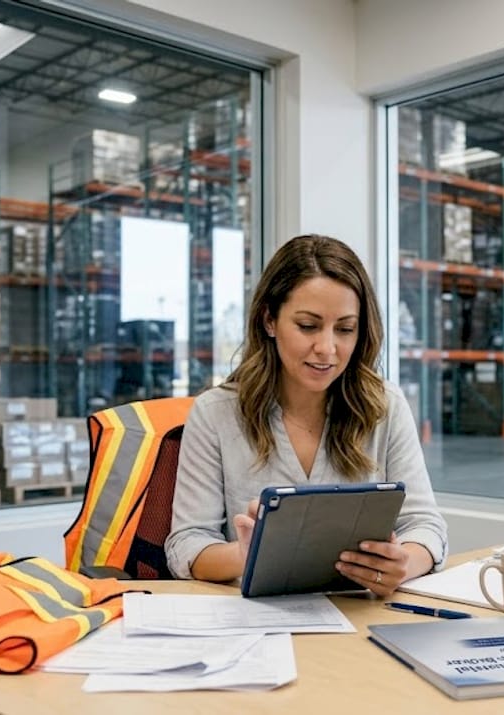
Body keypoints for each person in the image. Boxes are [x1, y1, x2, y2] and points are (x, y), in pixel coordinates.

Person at [165, 234, 447, 596]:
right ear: (270, 320)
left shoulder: (385, 406)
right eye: (308, 326)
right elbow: (186, 545)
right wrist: (245, 555)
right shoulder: (216, 414)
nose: (327, 348)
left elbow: (425, 525)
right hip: (255, 623)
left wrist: (404, 562)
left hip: (356, 613)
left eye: (345, 329)